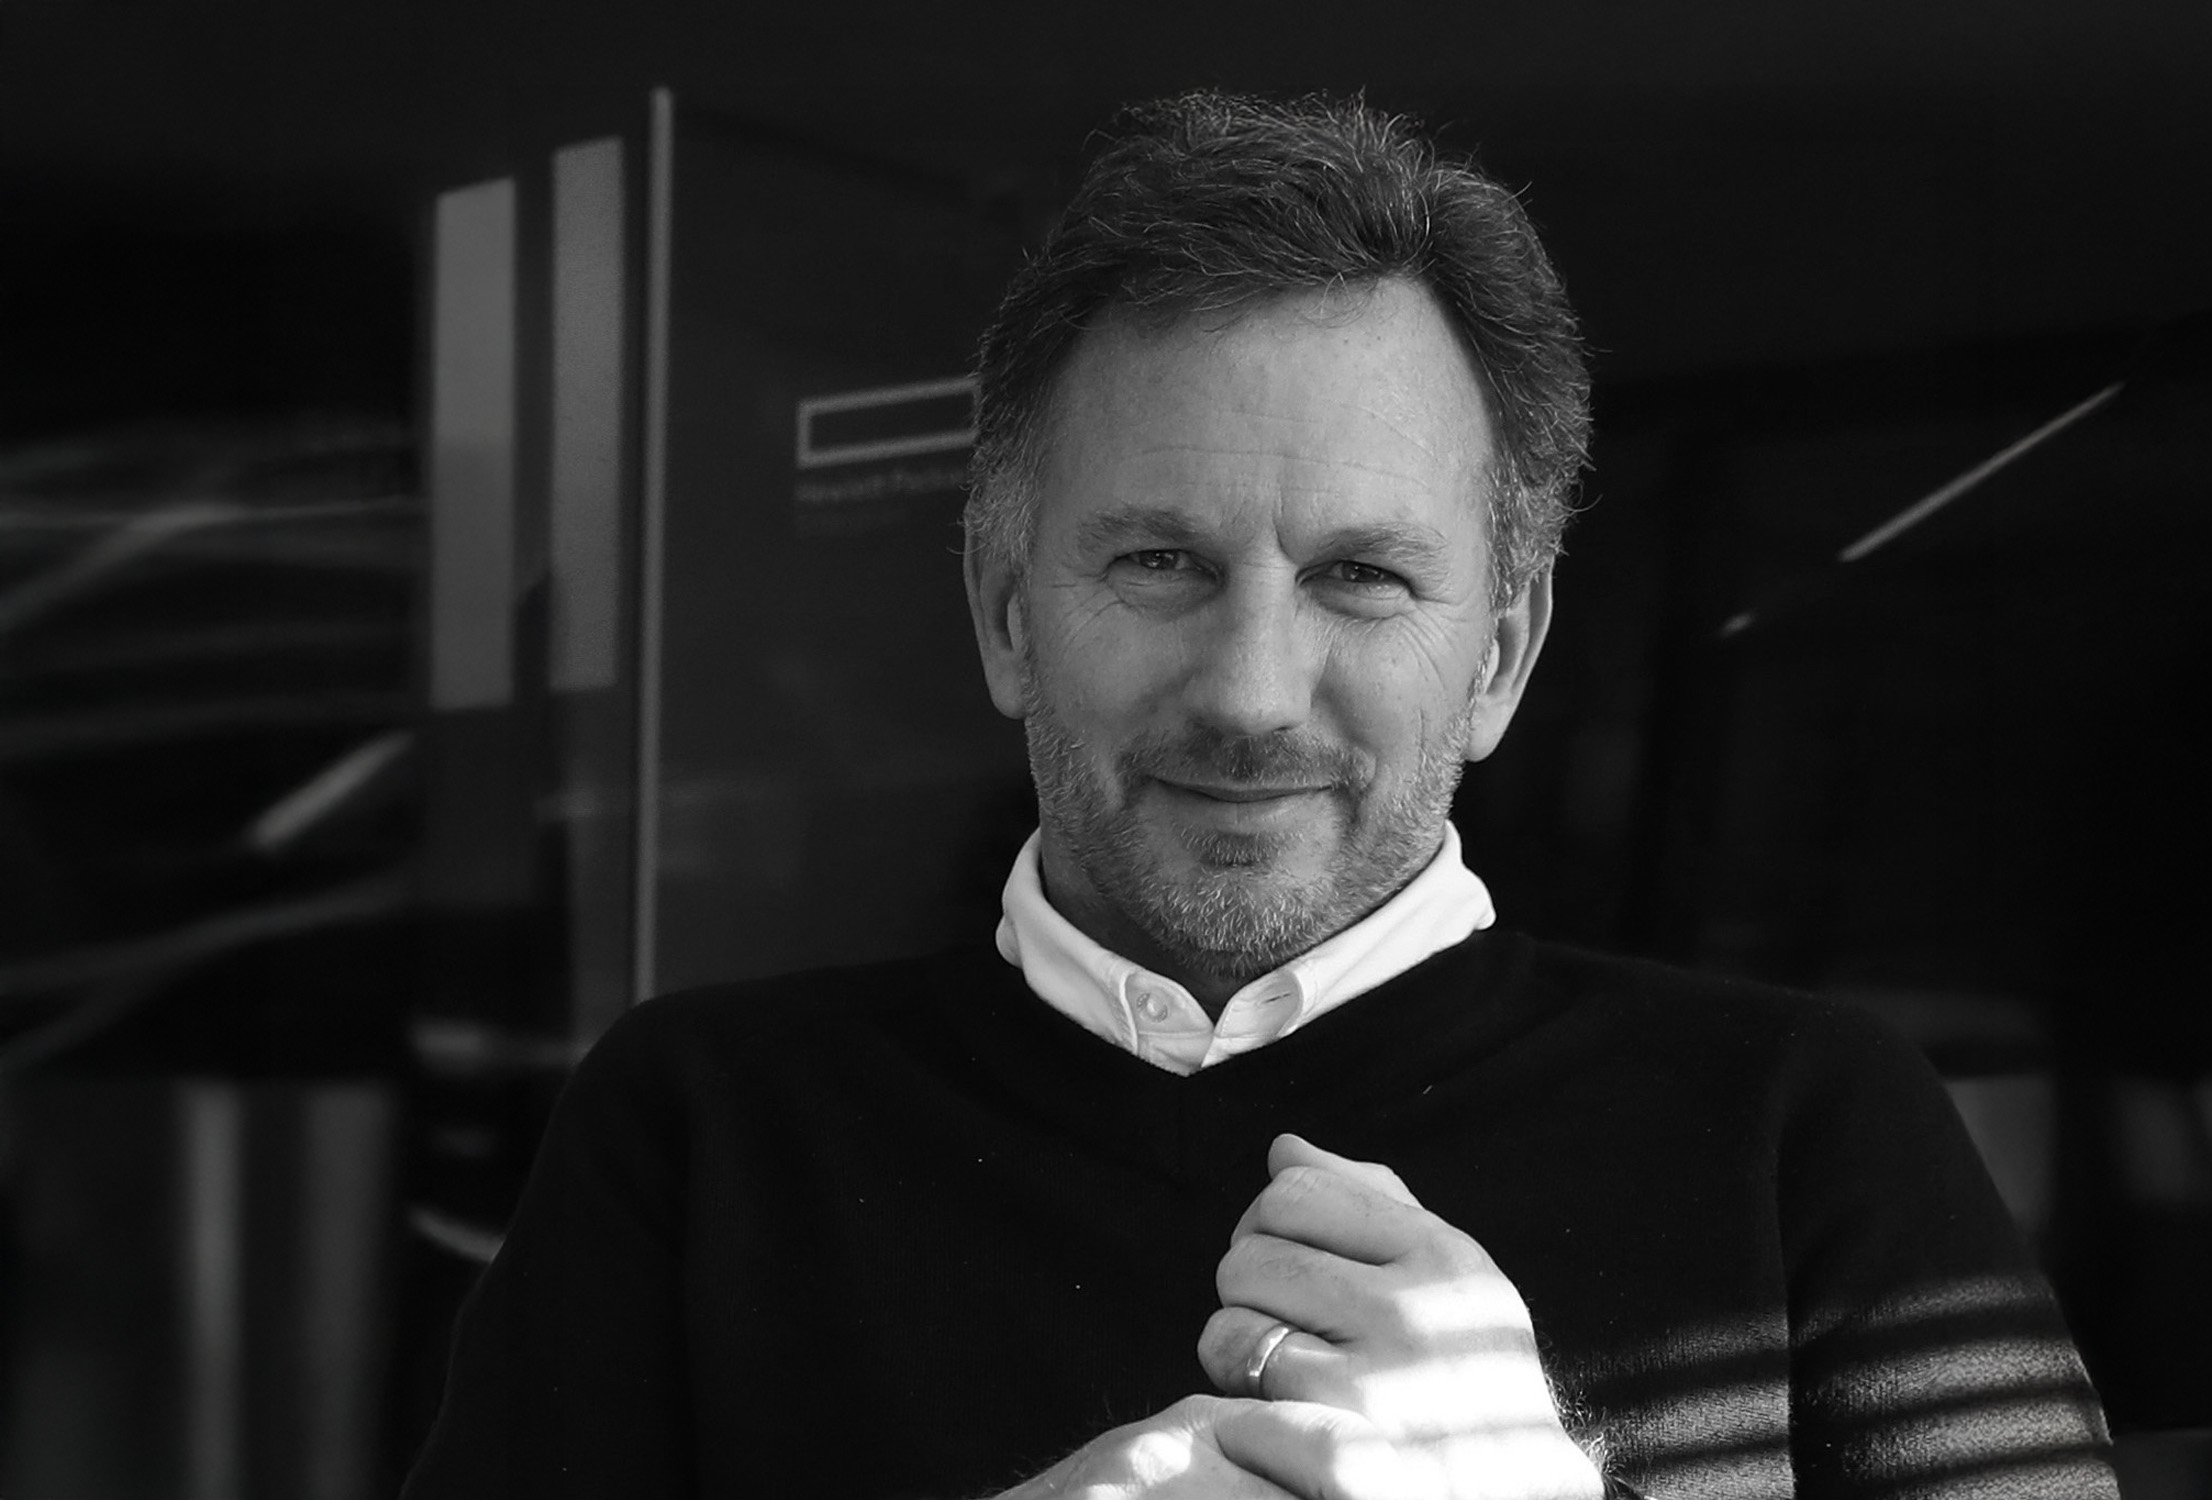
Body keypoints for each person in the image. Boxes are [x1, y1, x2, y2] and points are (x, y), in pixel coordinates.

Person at [404, 91, 2120, 1500]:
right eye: (1160, 561)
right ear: (1006, 618)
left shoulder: (1807, 1131)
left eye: (1362, 576)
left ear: (1502, 656)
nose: (1247, 692)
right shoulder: (695, 1134)